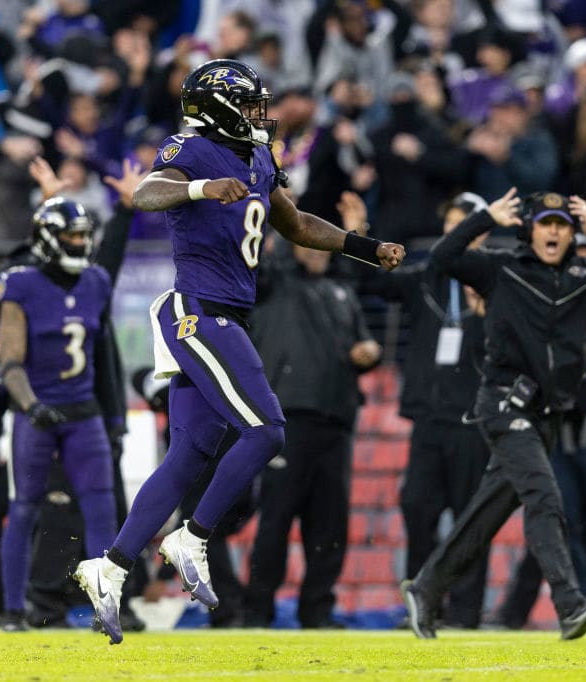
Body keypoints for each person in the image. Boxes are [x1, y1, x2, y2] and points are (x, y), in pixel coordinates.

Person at [73, 59, 405, 645]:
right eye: (250, 105)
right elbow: (148, 192)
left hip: (225, 313)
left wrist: (364, 246)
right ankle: (191, 538)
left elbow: (296, 224)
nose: (258, 114)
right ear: (220, 107)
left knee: (190, 454)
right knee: (267, 429)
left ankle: (111, 567)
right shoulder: (191, 147)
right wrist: (200, 187)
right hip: (197, 309)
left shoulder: (257, 155)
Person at [400, 189, 586, 640]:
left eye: (562, 224)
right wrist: (485, 221)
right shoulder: (500, 268)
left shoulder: (584, 275)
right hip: (502, 403)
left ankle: (426, 587)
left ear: (571, 233)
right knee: (544, 497)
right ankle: (570, 604)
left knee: (486, 514)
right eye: (546, 223)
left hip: (548, 414)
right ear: (529, 229)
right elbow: (443, 256)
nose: (554, 231)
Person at [357, 191, 493, 629]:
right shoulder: (428, 276)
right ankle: (422, 605)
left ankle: (467, 615)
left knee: (471, 519)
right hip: (429, 419)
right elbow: (375, 283)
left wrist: (489, 314)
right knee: (418, 508)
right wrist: (358, 237)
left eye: (462, 224)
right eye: (449, 223)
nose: (452, 232)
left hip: (473, 421)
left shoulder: (497, 280)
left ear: (480, 235)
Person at [243, 235, 381, 628]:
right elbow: (257, 265)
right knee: (276, 520)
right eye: (310, 242)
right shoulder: (274, 282)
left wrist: (368, 352)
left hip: (336, 420)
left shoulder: (341, 290)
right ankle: (258, 610)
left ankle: (317, 610)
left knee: (329, 525)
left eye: (325, 245)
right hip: (287, 418)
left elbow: (360, 341)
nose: (319, 251)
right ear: (294, 246)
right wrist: (277, 223)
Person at [0, 198, 119, 632]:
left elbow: (104, 356)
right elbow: (9, 360)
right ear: (48, 239)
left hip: (84, 414)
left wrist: (114, 416)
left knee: (102, 510)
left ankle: (109, 611)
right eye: (72, 235)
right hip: (37, 414)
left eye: (84, 235)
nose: (80, 243)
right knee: (24, 507)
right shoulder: (21, 284)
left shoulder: (97, 281)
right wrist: (32, 406)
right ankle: (14, 611)